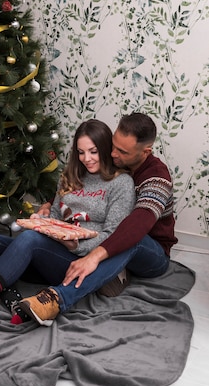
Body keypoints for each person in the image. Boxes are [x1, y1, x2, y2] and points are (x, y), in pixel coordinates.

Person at [0, 119, 136, 324]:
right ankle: (14, 302)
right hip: (49, 253)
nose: (87, 158)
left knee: (30, 240)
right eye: (81, 152)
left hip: (76, 261)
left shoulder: (121, 183)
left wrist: (77, 245)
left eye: (93, 151)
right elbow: (56, 217)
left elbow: (114, 236)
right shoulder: (70, 176)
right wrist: (42, 221)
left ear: (106, 149)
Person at [19, 112, 178, 326]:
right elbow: (86, 184)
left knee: (131, 236)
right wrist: (49, 202)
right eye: (113, 145)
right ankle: (115, 273)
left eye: (121, 151)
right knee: (118, 238)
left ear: (145, 152)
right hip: (121, 246)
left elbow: (140, 222)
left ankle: (57, 299)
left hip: (153, 253)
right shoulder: (119, 162)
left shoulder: (157, 177)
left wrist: (93, 256)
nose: (112, 153)